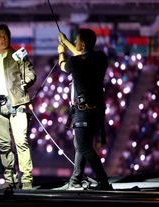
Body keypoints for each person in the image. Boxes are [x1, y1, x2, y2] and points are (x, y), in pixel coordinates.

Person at [0, 24, 36, 190]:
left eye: (5, 36)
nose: (3, 39)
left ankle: (26, 180)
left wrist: (22, 84)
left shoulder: (18, 55)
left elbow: (31, 75)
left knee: (21, 142)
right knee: (3, 145)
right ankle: (10, 180)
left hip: (17, 104)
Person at [55, 28, 112, 190]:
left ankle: (103, 181)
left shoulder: (74, 62)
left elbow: (63, 66)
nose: (75, 43)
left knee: (85, 147)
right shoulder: (101, 58)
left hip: (83, 111)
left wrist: (61, 52)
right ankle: (76, 179)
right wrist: (66, 42)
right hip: (97, 112)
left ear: (83, 43)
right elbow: (82, 56)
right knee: (81, 145)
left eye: (76, 41)